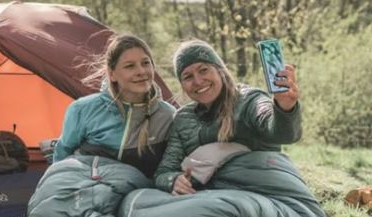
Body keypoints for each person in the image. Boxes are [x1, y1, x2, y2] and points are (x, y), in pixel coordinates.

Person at [154, 39, 301, 194]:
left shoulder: (249, 100)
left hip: (261, 191)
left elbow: (282, 135)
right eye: (188, 77)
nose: (197, 81)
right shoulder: (183, 119)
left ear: (220, 70)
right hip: (211, 197)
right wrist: (174, 181)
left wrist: (284, 108)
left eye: (203, 70)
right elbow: (163, 172)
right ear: (182, 84)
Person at [53, 34, 175, 178]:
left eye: (146, 63)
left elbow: (170, 167)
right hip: (86, 188)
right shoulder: (82, 109)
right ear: (112, 74)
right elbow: (61, 159)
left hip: (138, 194)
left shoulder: (167, 115)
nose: (141, 72)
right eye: (130, 66)